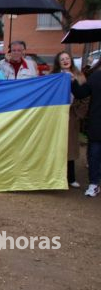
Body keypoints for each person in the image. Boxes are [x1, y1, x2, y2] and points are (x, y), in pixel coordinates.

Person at [54, 51, 87, 189]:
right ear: (58, 62)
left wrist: (72, 82)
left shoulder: (79, 76)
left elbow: (84, 95)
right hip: (55, 115)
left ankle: (71, 177)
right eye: (62, 59)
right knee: (56, 145)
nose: (65, 61)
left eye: (67, 58)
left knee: (70, 146)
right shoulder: (54, 76)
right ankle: (55, 175)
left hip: (71, 115)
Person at [71, 59, 101, 197]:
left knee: (94, 152)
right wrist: (73, 81)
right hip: (97, 122)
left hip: (96, 122)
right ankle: (94, 184)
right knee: (94, 153)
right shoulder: (96, 76)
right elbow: (81, 93)